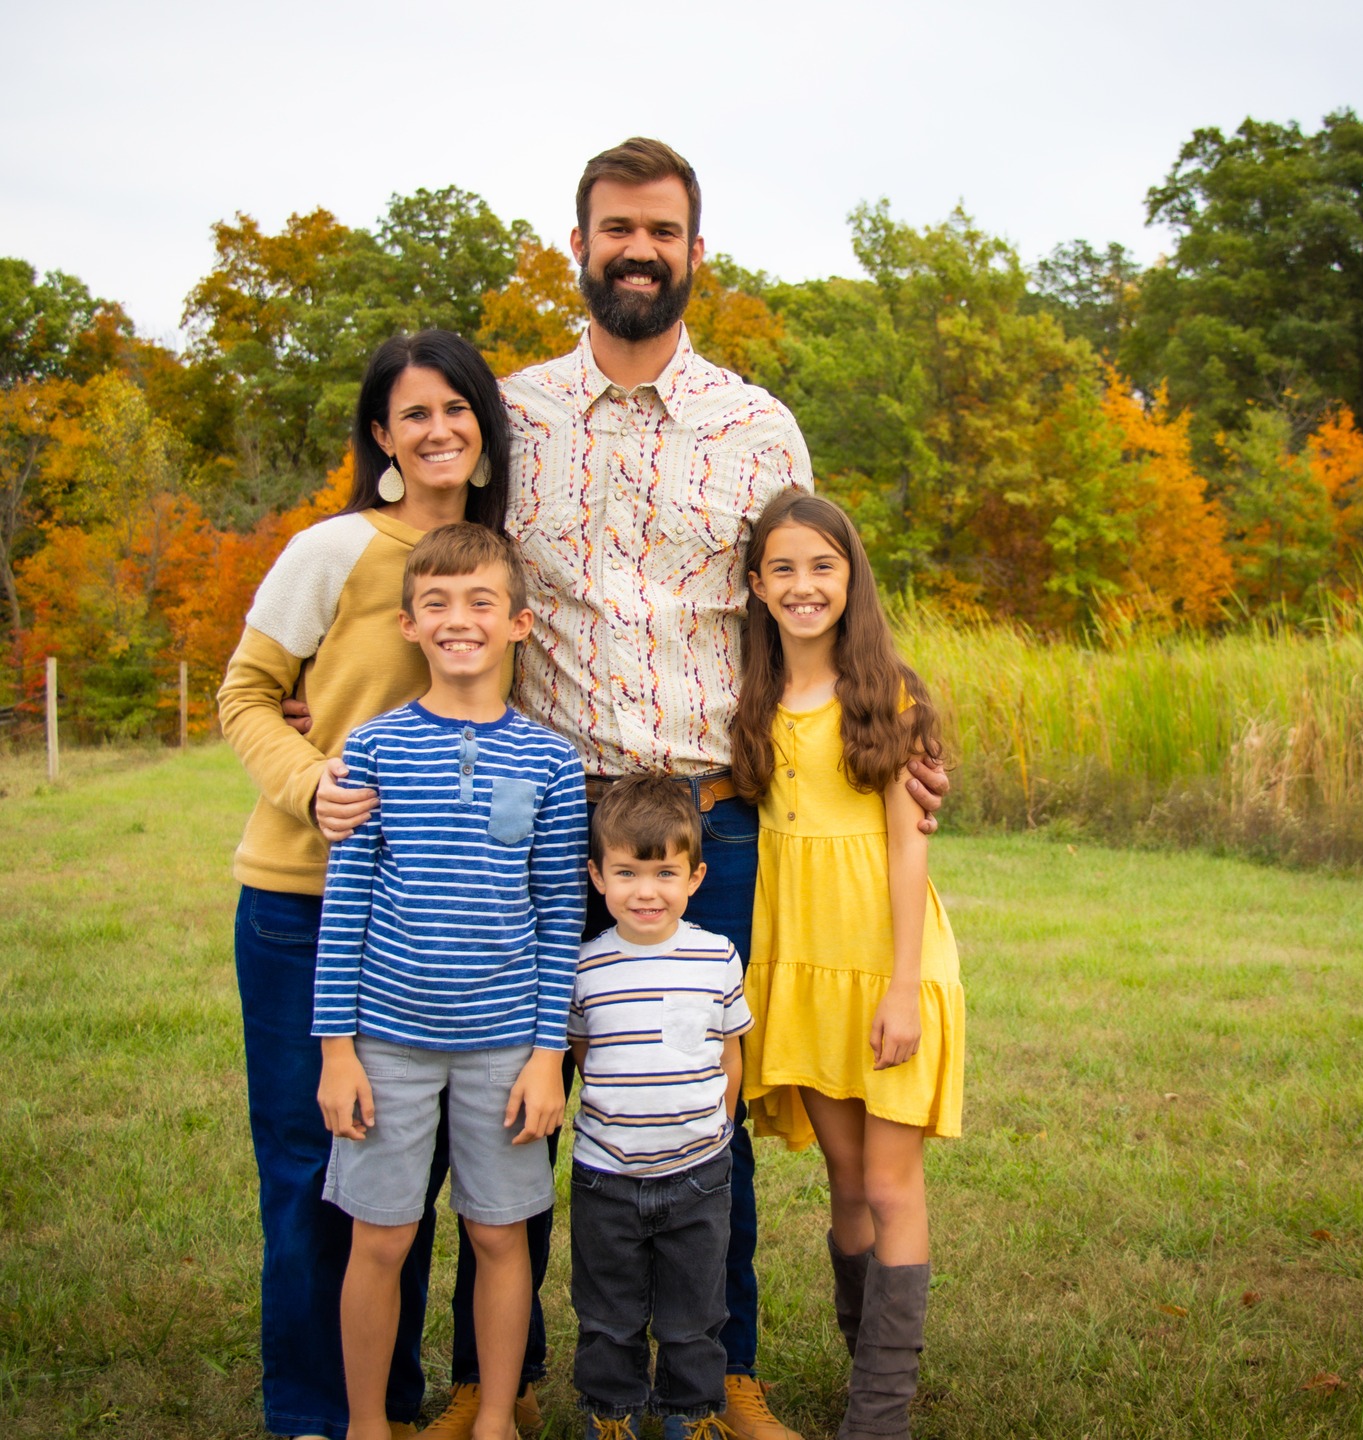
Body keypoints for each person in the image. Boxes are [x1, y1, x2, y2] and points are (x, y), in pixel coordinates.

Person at [313, 137, 950, 1440]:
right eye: (616, 230)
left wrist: (896, 725)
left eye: (662, 230)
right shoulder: (518, 419)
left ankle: (724, 1373)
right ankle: (510, 1377)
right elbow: (448, 574)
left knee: (700, 1102)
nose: (639, 251)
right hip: (543, 818)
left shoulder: (760, 424)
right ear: (580, 247)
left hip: (712, 817)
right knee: (522, 1096)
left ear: (696, 252)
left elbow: (807, 589)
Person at [218, 331, 521, 1440]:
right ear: (381, 437)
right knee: (313, 1162)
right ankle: (313, 1413)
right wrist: (311, 783)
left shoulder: (500, 561)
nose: (438, 429)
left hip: (441, 920)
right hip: (308, 900)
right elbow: (247, 691)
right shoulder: (334, 549)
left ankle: (387, 1402)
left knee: (412, 1170)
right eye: (412, 414)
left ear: (484, 425)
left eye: (456, 408)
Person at [314, 522, 586, 1440]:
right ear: (408, 624)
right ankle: (364, 1421)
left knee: (499, 1234)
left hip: (507, 1046)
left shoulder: (551, 760)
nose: (458, 619)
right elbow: (344, 907)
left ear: (519, 624)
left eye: (480, 603)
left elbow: (557, 921)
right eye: (437, 603)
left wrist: (549, 1055)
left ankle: (497, 1415)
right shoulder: (374, 748)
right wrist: (337, 1051)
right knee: (381, 1237)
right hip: (386, 1042)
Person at [731, 491, 965, 1440]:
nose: (803, 586)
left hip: (885, 963)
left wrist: (904, 987)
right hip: (803, 964)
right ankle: (865, 1358)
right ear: (756, 584)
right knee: (842, 1176)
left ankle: (879, 1418)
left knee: (888, 1184)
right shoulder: (751, 697)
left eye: (822, 567)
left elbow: (910, 851)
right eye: (783, 569)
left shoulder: (886, 697)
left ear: (851, 578)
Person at [567, 775, 750, 1440]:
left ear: (696, 876)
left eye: (665, 873)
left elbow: (731, 1054)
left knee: (695, 1312)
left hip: (699, 1174)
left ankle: (689, 1414)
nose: (647, 892)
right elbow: (588, 1055)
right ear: (596, 875)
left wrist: (714, 1128)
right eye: (626, 873)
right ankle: (611, 1413)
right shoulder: (585, 968)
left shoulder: (717, 957)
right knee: (607, 1310)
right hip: (606, 1176)